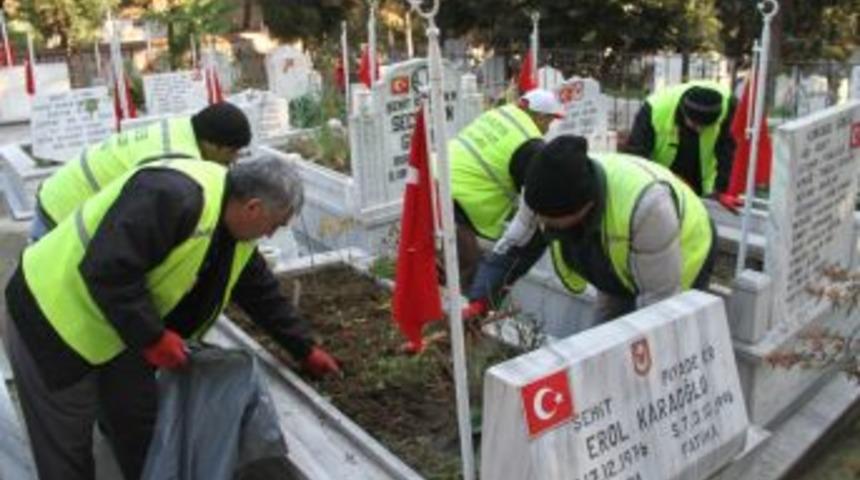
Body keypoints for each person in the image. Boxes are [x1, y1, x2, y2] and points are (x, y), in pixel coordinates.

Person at [4, 155, 341, 480]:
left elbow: (260, 292)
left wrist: (304, 348)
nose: (271, 235)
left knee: (139, 424)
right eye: (276, 224)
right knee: (67, 451)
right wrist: (154, 338)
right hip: (51, 320)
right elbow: (107, 268)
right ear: (253, 207)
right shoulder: (173, 196)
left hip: (115, 328)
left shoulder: (236, 230)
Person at [464, 135, 716, 323]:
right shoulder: (542, 192)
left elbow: (658, 309)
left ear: (583, 209)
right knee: (605, 335)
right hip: (620, 267)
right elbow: (514, 248)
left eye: (550, 222)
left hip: (685, 252)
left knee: (666, 345)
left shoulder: (647, 209)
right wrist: (480, 299)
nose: (540, 224)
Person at [31, 101, 252, 239]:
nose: (233, 160)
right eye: (232, 152)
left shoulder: (181, 128)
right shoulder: (176, 162)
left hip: (58, 195)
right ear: (213, 144)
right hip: (63, 213)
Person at [450, 88, 564, 286]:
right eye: (549, 121)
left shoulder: (499, 113)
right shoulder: (529, 143)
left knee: (442, 259)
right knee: (468, 268)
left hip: (437, 178)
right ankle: (464, 313)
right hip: (460, 198)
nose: (548, 128)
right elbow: (533, 201)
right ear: (540, 117)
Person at [622, 80, 737, 198]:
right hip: (661, 178)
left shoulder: (729, 108)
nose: (700, 130)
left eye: (706, 127)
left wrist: (720, 191)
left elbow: (729, 155)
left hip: (703, 175)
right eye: (694, 125)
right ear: (683, 113)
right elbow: (636, 156)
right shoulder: (654, 110)